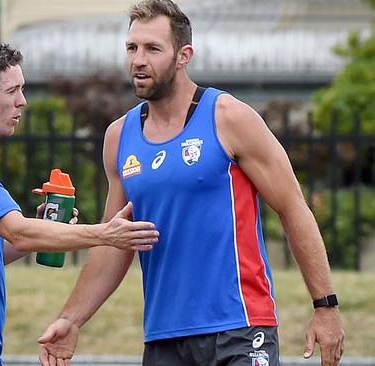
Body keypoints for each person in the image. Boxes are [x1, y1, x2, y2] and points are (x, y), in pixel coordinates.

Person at [38, 1, 345, 366]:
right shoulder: (119, 137)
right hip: (164, 339)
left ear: (184, 55)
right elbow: (114, 241)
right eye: (132, 48)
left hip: (241, 329)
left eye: (152, 49)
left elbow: (293, 207)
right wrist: (71, 319)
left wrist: (325, 305)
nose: (138, 60)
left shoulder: (229, 117)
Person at [0, 37, 160, 366]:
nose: (22, 102)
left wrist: (42, 233)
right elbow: (20, 231)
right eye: (13, 91)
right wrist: (107, 234)